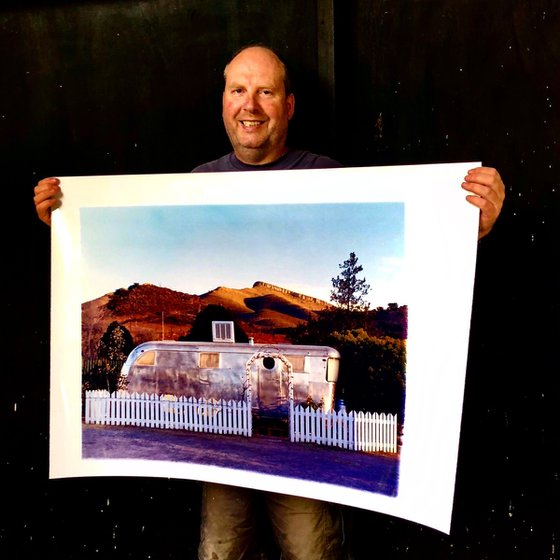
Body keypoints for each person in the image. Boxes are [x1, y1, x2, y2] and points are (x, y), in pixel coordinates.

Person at [34, 44, 505, 559]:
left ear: (289, 104)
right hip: (219, 456)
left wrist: (466, 228)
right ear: (223, 102)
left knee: (311, 549)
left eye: (266, 92)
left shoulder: (330, 177)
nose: (250, 105)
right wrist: (64, 221)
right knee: (221, 548)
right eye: (238, 90)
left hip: (297, 460)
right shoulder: (196, 183)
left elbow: (418, 252)